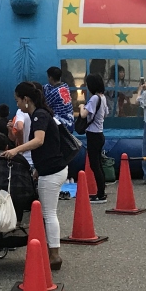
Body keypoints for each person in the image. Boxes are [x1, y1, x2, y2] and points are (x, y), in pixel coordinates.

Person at [3, 82, 67, 270]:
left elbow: (39, 141)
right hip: (50, 168)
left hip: (52, 171)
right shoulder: (41, 114)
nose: (17, 104)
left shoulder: (39, 115)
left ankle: (54, 254)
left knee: (49, 214)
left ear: (26, 99)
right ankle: (51, 252)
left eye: (17, 100)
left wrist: (16, 150)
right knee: (48, 213)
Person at [77, 74, 109, 203]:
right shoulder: (103, 97)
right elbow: (105, 114)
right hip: (100, 133)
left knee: (95, 165)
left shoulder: (94, 98)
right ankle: (101, 191)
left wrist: (81, 106)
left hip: (93, 135)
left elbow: (83, 114)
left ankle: (100, 194)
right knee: (98, 164)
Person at [43, 67, 75, 133]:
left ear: (50, 78)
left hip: (62, 125)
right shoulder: (65, 86)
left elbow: (45, 105)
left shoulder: (54, 93)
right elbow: (48, 86)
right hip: (70, 122)